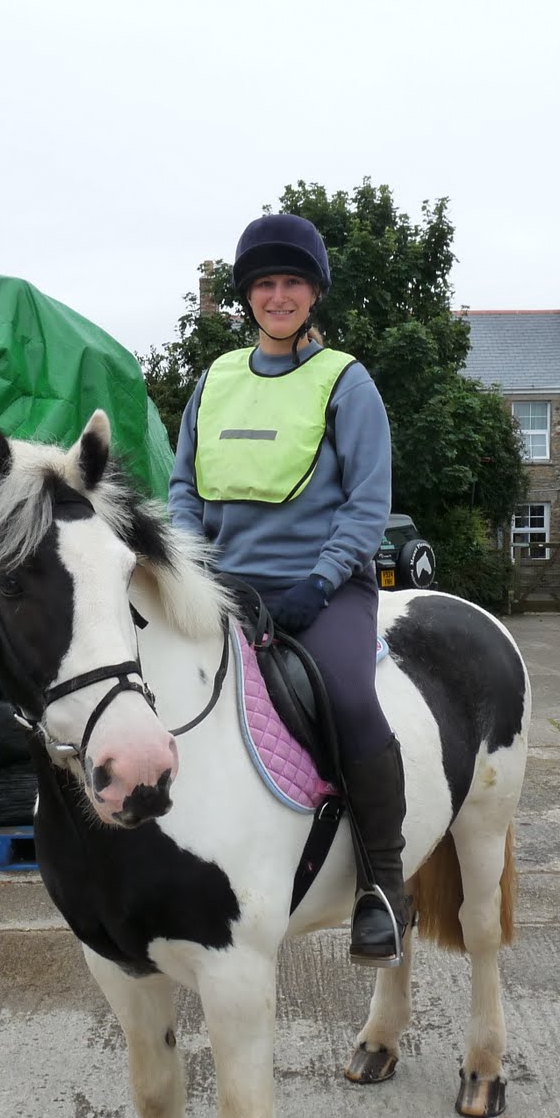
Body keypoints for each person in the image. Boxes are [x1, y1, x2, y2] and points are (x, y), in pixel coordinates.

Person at [169, 212, 408, 967]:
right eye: (264, 284)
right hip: (226, 586)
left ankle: (384, 886)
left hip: (322, 588)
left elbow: (367, 504)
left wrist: (320, 581)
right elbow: (183, 490)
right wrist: (191, 569)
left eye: (291, 283)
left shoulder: (347, 381)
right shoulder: (215, 381)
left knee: (348, 696)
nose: (277, 296)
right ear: (247, 296)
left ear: (313, 293)